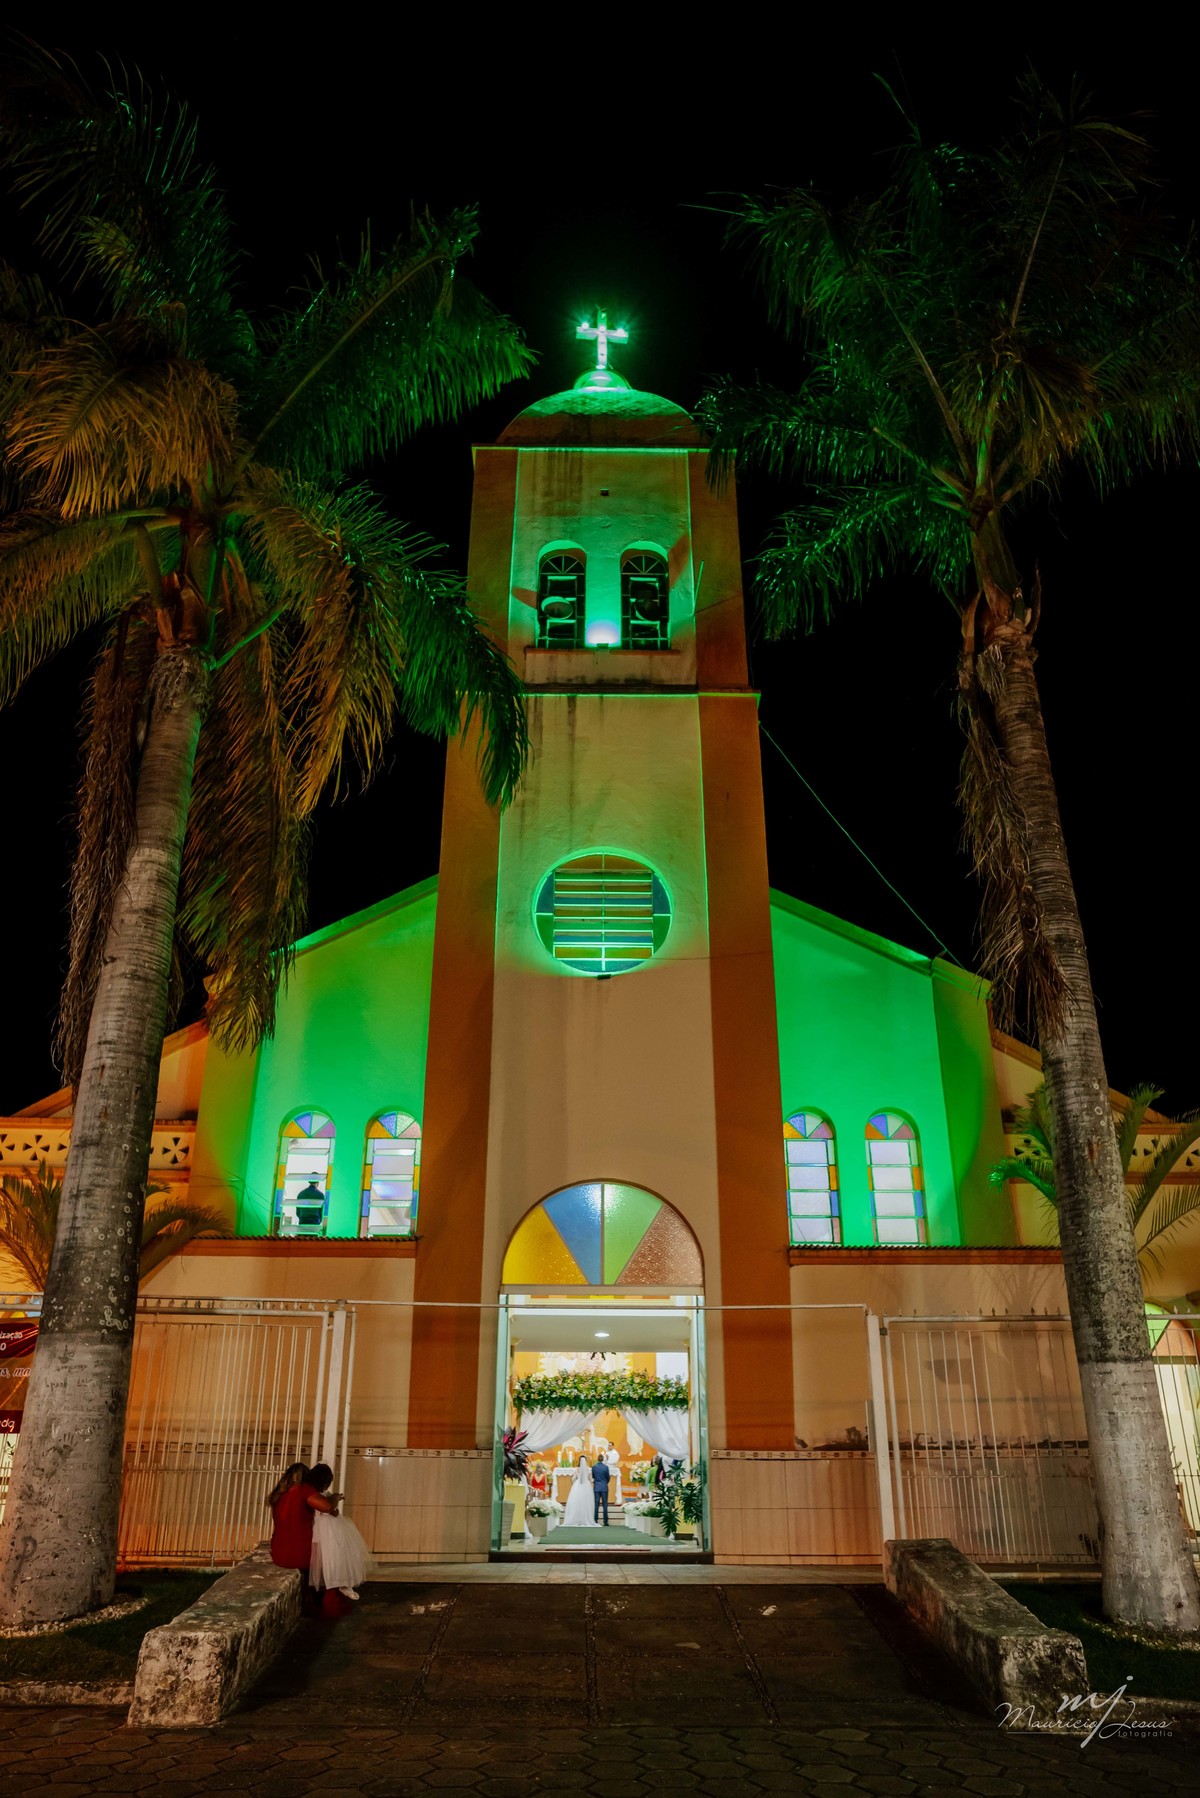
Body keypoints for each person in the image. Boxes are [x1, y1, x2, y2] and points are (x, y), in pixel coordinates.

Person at [268, 1462, 336, 1607]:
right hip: (299, 1553)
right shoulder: (304, 1490)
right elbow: (327, 1507)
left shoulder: (280, 1494)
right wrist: (335, 1498)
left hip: (279, 1552)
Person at [307, 1463, 373, 1600]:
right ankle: (335, 1582)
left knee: (329, 1555)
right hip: (326, 1529)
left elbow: (333, 1511)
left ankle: (335, 1583)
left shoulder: (318, 1494)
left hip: (326, 1527)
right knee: (331, 1555)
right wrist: (335, 1499)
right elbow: (330, 1510)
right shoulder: (318, 1495)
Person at [562, 1454, 593, 1527]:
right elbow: (591, 1479)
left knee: (576, 1502)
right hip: (586, 1486)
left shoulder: (576, 1469)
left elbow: (573, 1478)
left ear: (579, 1461)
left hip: (577, 1486)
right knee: (586, 1503)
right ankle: (585, 1518)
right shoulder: (588, 1469)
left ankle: (576, 1518)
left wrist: (573, 1482)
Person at [591, 1453, 611, 1526]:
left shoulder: (594, 1467)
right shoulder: (606, 1467)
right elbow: (608, 1477)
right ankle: (605, 1521)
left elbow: (593, 1476)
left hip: (596, 1487)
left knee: (596, 1504)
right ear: (603, 1459)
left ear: (597, 1459)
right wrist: (605, 1482)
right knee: (605, 1504)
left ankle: (595, 1520)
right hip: (604, 1487)